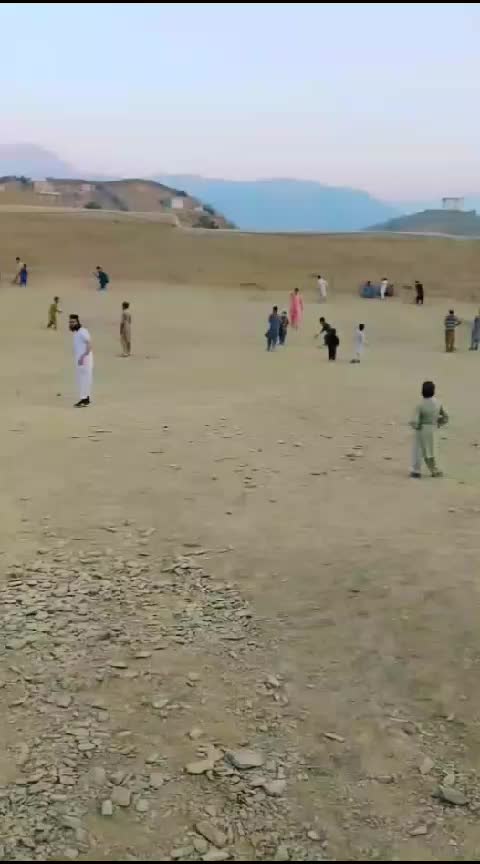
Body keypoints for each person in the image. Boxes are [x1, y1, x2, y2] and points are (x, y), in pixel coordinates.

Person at [410, 380, 448, 478]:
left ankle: (416, 471)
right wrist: (438, 423)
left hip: (421, 429)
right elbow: (445, 417)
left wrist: (415, 426)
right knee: (431, 451)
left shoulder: (420, 404)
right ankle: (434, 470)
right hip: (432, 429)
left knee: (418, 451)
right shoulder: (438, 403)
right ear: (433, 391)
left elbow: (415, 421)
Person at [69, 314, 93, 407]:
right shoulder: (77, 332)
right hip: (81, 359)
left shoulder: (82, 332)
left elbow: (89, 344)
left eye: (73, 322)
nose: (71, 324)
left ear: (78, 322)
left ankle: (83, 399)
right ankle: (86, 398)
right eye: (70, 322)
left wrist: (83, 357)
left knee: (83, 379)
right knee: (84, 378)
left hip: (84, 360)